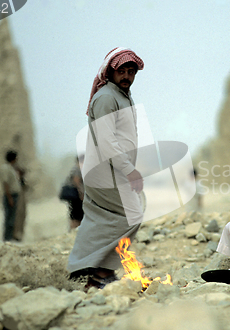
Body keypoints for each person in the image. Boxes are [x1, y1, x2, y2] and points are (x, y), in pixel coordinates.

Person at [67, 47, 145, 290]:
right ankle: (93, 268)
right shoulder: (106, 97)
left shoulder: (121, 95)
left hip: (114, 170)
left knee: (103, 217)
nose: (127, 76)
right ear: (111, 71)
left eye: (131, 72)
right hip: (106, 171)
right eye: (122, 71)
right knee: (129, 215)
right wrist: (129, 169)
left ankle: (95, 271)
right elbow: (108, 141)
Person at [0, 150, 21, 242]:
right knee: (9, 218)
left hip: (14, 195)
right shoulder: (5, 168)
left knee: (12, 218)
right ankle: (7, 238)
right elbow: (5, 183)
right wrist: (9, 198)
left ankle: (10, 237)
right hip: (10, 195)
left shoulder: (11, 168)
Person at [64, 155, 84, 231]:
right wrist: (81, 194)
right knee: (76, 214)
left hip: (75, 196)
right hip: (75, 196)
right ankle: (73, 230)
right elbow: (77, 182)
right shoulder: (77, 169)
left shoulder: (76, 169)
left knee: (76, 214)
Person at [12, 165, 27, 241]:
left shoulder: (22, 181)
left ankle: (20, 234)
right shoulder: (14, 182)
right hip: (16, 202)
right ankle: (15, 235)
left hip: (22, 202)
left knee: (22, 217)